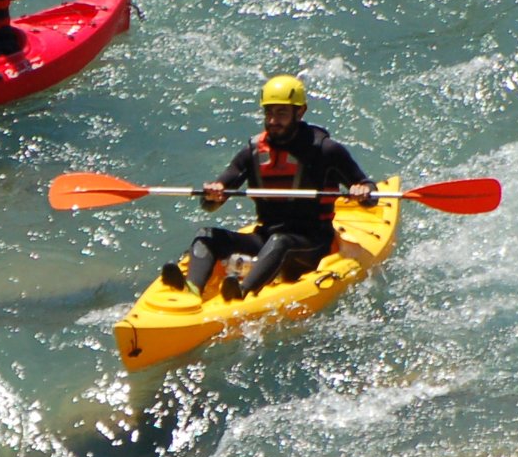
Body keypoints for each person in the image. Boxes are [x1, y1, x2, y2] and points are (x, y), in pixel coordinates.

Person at [160, 75, 374, 301]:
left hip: (312, 244)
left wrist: (362, 192)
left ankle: (242, 293)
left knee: (281, 241)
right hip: (266, 238)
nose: (273, 120)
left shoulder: (325, 150)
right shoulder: (252, 152)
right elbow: (209, 204)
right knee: (206, 235)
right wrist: (214, 195)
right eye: (269, 112)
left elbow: (369, 192)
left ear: (300, 112)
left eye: (281, 113)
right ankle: (192, 290)